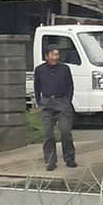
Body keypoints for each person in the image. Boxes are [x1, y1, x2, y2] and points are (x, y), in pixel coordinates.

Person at [33, 42, 77, 172]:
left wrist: (67, 101)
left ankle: (69, 158)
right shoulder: (40, 70)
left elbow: (70, 86)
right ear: (46, 56)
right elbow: (36, 87)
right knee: (48, 134)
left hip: (62, 101)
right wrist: (39, 102)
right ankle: (50, 160)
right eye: (53, 54)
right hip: (47, 102)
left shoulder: (64, 69)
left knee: (65, 131)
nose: (55, 57)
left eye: (57, 54)